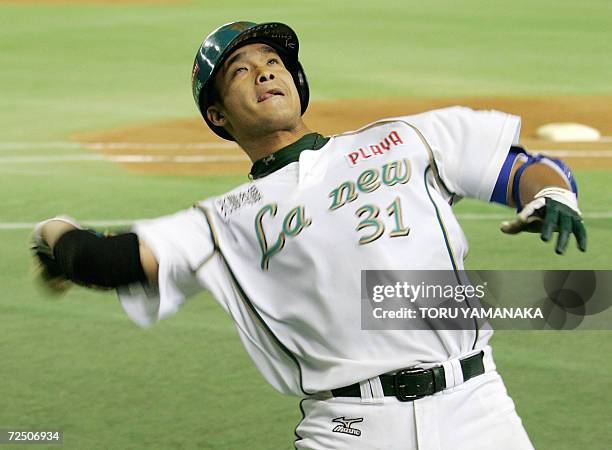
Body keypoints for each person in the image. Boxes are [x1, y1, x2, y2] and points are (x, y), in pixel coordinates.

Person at [32, 21, 586, 449]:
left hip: (477, 408)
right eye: (239, 72)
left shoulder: (408, 138)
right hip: (351, 427)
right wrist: (52, 232)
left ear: (297, 82)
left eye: (272, 63)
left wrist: (552, 194)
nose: (264, 73)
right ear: (218, 115)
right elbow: (106, 261)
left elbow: (522, 169)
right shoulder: (223, 220)